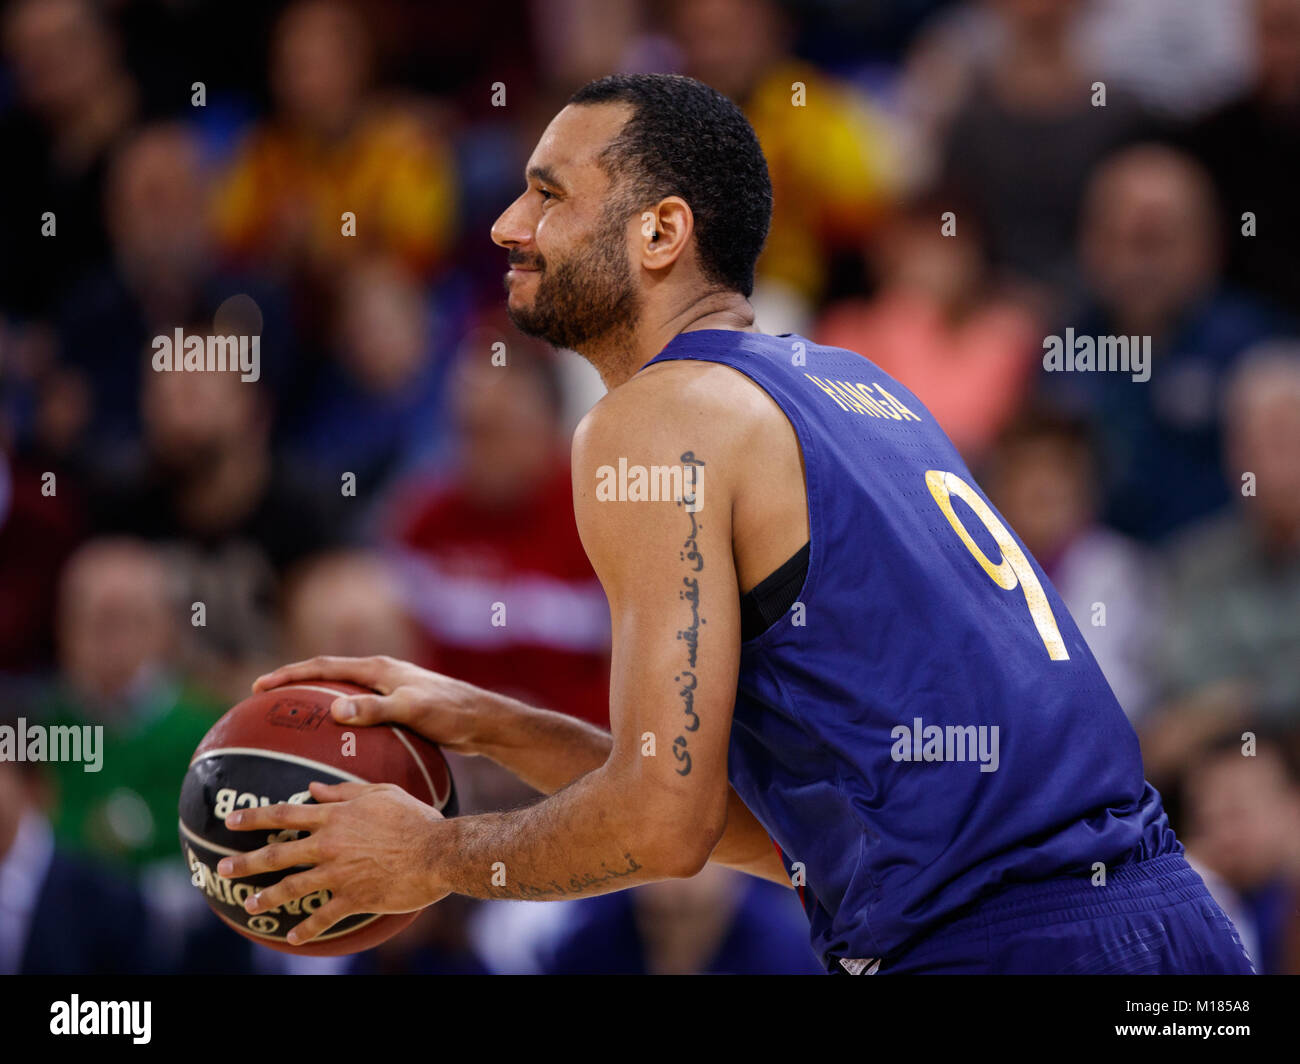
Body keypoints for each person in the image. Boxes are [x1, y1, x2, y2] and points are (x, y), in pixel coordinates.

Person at [220, 73, 1253, 975]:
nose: (504, 225)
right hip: (1165, 923)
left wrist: (426, 855)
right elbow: (787, 830)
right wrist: (494, 722)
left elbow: (656, 828)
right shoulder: (856, 385)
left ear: (661, 232)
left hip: (1002, 942)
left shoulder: (652, 420)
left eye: (547, 193)